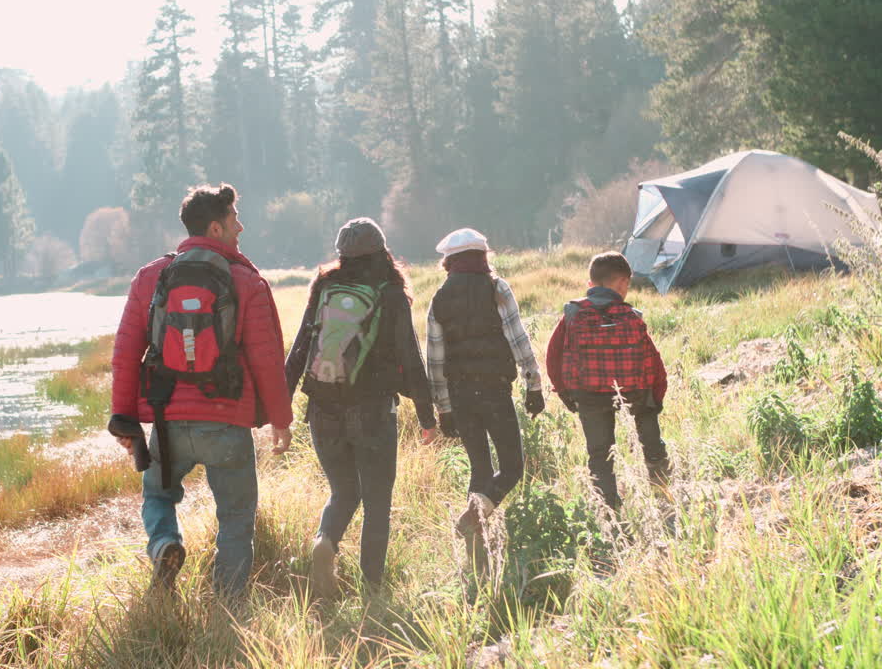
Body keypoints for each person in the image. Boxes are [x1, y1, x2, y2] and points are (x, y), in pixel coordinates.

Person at [108, 183, 294, 597]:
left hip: (166, 419)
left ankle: (164, 546)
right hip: (227, 422)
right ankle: (227, 608)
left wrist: (123, 418)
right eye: (234, 220)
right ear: (216, 227)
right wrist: (280, 420)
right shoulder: (247, 281)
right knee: (236, 516)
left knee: (158, 495)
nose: (240, 226)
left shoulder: (150, 277)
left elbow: (125, 353)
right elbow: (267, 358)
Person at [284, 218, 437, 596]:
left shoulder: (324, 286)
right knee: (377, 502)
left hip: (322, 409)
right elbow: (411, 358)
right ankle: (373, 589)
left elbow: (301, 348)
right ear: (382, 251)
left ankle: (326, 542)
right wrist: (427, 416)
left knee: (343, 492)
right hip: (371, 410)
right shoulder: (390, 293)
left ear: (342, 254)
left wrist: (280, 411)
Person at [426, 228, 545, 569]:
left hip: (461, 396)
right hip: (495, 390)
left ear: (448, 262)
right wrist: (533, 384)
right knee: (512, 467)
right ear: (483, 257)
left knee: (480, 469)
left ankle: (476, 553)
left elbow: (435, 357)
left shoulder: (439, 299)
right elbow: (518, 337)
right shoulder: (497, 288)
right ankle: (474, 519)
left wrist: (444, 407)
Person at [545, 251, 671, 513]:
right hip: (635, 394)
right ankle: (663, 496)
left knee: (600, 454)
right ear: (623, 283)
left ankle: (610, 512)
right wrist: (655, 399)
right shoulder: (633, 316)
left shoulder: (573, 313)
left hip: (589, 395)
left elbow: (553, 356)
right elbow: (654, 361)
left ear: (591, 284)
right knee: (650, 442)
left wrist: (567, 394)